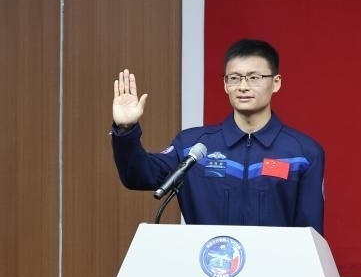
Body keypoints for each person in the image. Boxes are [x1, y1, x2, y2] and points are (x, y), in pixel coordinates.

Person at [111, 39, 325, 233]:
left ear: (276, 82)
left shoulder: (303, 153)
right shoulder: (193, 147)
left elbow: (310, 234)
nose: (243, 87)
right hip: (207, 262)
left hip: (275, 265)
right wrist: (125, 129)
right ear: (225, 84)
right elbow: (138, 175)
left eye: (254, 78)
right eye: (234, 78)